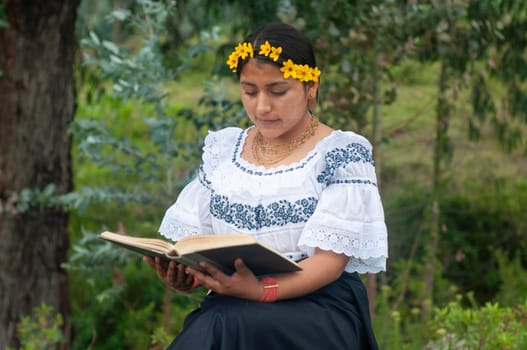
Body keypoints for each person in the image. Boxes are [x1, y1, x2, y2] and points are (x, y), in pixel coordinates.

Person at [144, 22, 388, 350]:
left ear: (310, 86)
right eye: (249, 91)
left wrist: (260, 291)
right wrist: (186, 275)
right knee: (222, 322)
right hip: (234, 305)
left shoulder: (341, 154)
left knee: (221, 326)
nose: (262, 106)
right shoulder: (224, 152)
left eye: (277, 91)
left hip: (317, 308)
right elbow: (199, 243)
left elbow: (330, 263)